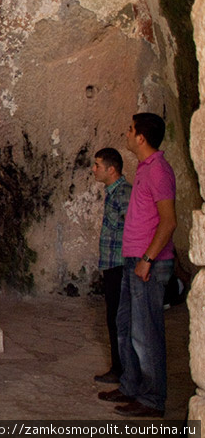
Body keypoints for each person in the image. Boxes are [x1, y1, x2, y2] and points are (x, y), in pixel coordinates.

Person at [99, 113, 176, 418]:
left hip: (148, 263)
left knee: (147, 333)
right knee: (127, 326)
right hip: (133, 260)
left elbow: (168, 221)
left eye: (130, 130)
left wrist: (147, 259)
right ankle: (131, 385)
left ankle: (152, 399)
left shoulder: (158, 170)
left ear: (141, 137)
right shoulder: (145, 168)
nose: (127, 134)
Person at [91, 147, 131, 385]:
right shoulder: (113, 192)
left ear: (111, 169)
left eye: (97, 165)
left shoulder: (124, 193)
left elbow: (134, 229)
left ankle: (123, 370)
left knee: (119, 318)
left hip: (121, 265)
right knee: (113, 317)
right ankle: (119, 367)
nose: (94, 169)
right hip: (112, 264)